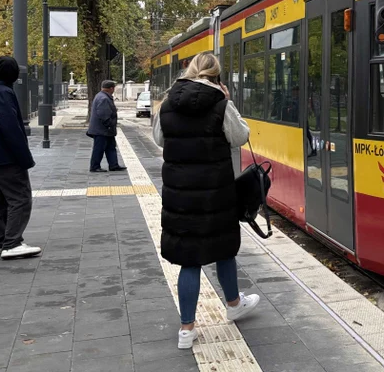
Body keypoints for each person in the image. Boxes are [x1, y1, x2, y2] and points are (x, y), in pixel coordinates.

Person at [152, 52, 259, 349]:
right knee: (223, 249)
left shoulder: (168, 102)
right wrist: (228, 101)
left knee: (189, 260)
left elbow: (159, 139)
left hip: (179, 194)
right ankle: (234, 304)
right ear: (216, 75)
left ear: (190, 70)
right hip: (215, 193)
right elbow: (240, 137)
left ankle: (186, 330)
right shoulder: (220, 103)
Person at [0, 56, 41, 259]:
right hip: (8, 156)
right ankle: (13, 243)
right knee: (20, 198)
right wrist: (24, 157)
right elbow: (11, 128)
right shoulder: (3, 93)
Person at [88, 80, 126, 172]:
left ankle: (114, 165)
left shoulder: (101, 96)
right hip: (102, 130)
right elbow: (103, 114)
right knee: (99, 149)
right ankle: (95, 166)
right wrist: (109, 125)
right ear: (111, 88)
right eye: (114, 88)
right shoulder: (104, 98)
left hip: (104, 129)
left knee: (110, 147)